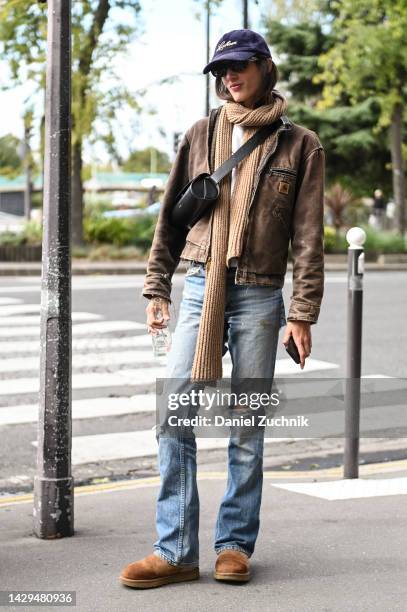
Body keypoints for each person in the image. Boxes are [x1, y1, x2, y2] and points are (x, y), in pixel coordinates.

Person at [119, 28, 325, 589]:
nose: (228, 77)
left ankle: (234, 544)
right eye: (220, 71)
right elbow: (171, 216)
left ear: (265, 67)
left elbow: (308, 236)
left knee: (246, 425)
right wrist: (155, 285)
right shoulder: (200, 134)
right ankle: (176, 549)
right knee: (173, 415)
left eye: (238, 66)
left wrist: (302, 313)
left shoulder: (300, 144)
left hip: (260, 293)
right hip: (196, 289)